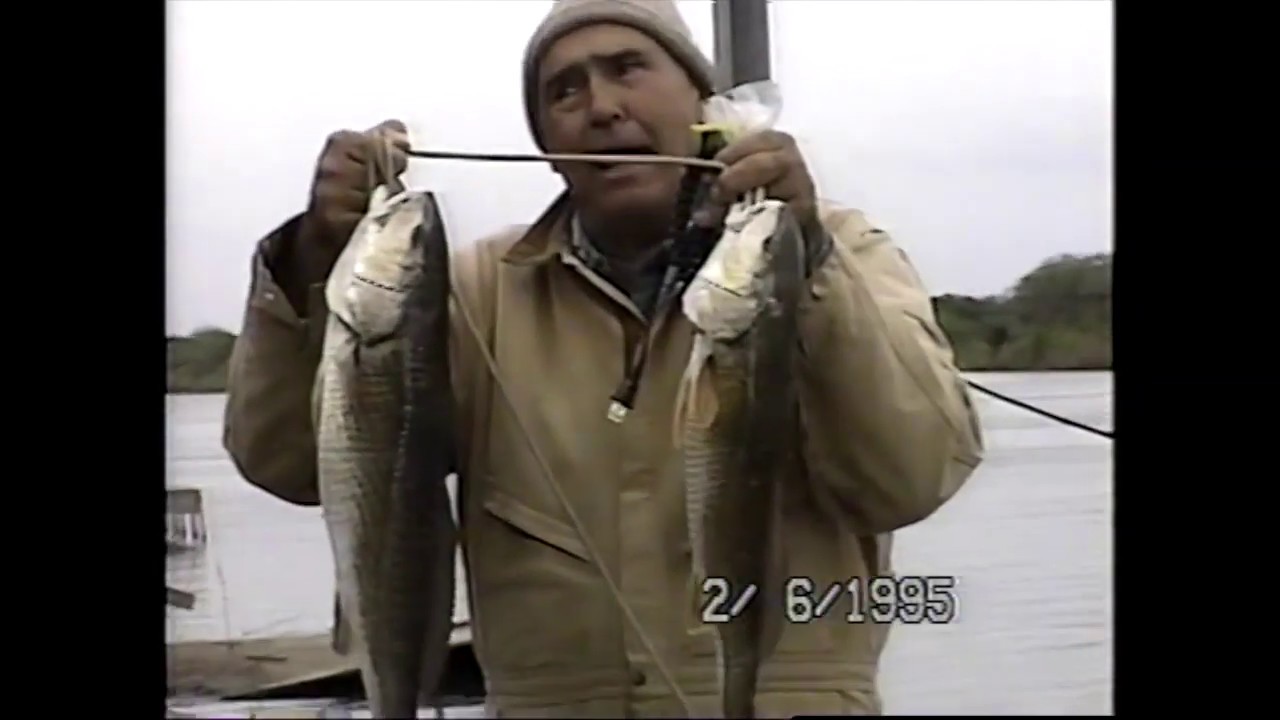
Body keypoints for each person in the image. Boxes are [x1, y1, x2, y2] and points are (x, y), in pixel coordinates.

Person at [222, 0, 985, 716]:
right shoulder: (471, 293)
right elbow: (287, 462)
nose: (602, 106)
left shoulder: (844, 251)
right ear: (547, 147)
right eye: (564, 90)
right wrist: (316, 260)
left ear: (701, 104)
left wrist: (805, 262)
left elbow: (913, 475)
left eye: (629, 68)